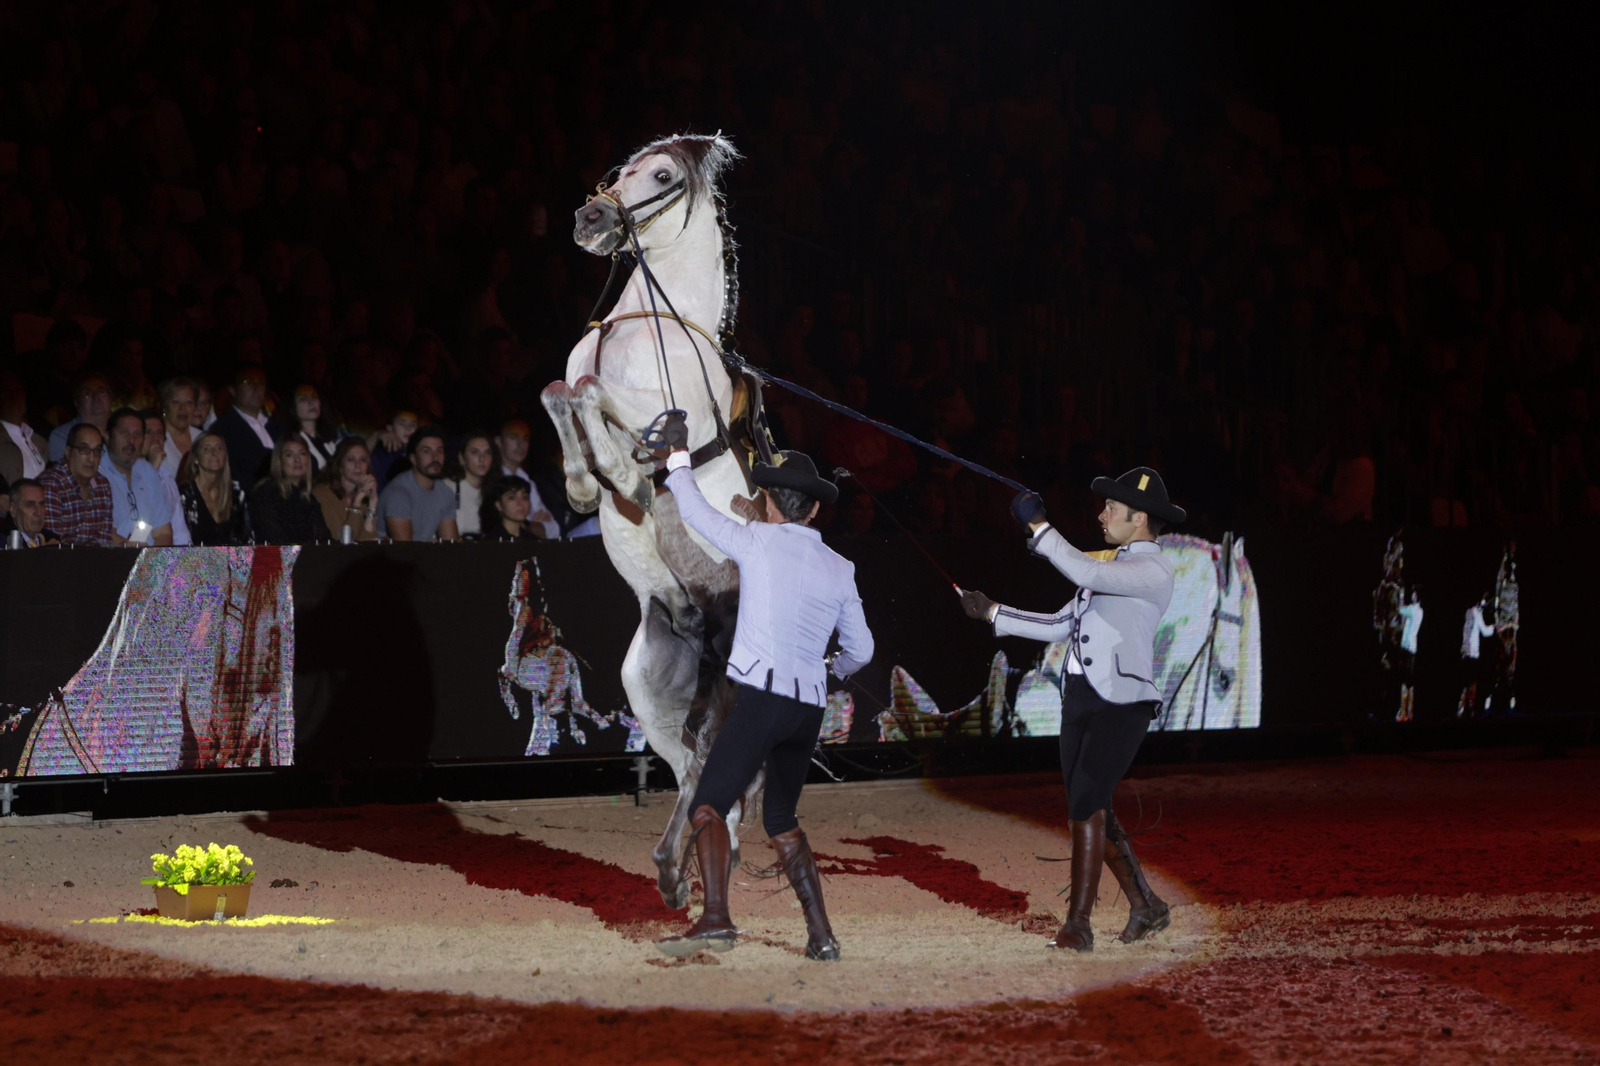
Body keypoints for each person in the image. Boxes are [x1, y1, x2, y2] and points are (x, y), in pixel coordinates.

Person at [653, 412, 874, 962]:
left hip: (762, 704)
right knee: (781, 817)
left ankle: (716, 918)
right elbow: (863, 651)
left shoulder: (756, 540)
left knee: (707, 806)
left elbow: (697, 513)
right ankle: (822, 936)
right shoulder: (841, 567)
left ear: (770, 503)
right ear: (816, 510)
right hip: (808, 710)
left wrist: (677, 456)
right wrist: (831, 667)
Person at [959, 468, 1185, 953]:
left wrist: (1040, 527)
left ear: (1139, 517)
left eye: (1111, 508)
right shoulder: (1111, 566)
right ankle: (1145, 905)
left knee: (1086, 803)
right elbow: (1061, 623)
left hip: (1122, 702)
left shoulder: (1152, 569)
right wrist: (993, 613)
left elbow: (1085, 571)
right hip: (1080, 697)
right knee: (1090, 804)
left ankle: (1078, 925)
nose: (1102, 514)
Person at [99, 407, 175, 545]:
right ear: (107, 436)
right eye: (124, 433)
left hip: (149, 560)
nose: (131, 441)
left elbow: (163, 532)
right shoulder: (97, 472)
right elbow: (103, 533)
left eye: (137, 434)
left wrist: (155, 562)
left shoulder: (147, 472)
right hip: (112, 560)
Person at [376, 426, 459, 541]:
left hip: (423, 555)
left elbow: (451, 543)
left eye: (439, 451)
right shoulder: (398, 493)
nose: (435, 457)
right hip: (387, 557)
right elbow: (404, 549)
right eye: (427, 451)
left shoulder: (445, 492)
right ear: (413, 459)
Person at [40, 423, 118, 545]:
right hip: (57, 561)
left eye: (97, 451)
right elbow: (53, 545)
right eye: (84, 449)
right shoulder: (52, 485)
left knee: (147, 560)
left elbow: (104, 543)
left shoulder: (102, 485)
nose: (91, 458)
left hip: (93, 561)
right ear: (68, 452)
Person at [248, 437, 331, 544]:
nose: (297, 460)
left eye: (302, 454)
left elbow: (324, 539)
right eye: (289, 455)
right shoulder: (266, 493)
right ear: (279, 461)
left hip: (309, 557)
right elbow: (274, 539)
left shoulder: (308, 497)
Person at [179, 432, 252, 546]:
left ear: (225, 456)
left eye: (219, 448)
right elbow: (180, 540)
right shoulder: (185, 495)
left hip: (234, 561)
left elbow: (248, 537)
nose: (214, 453)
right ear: (196, 459)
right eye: (206, 449)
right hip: (195, 561)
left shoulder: (236, 492)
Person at [214, 366, 281, 484]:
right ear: (233, 390)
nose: (256, 388)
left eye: (261, 382)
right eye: (248, 382)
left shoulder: (277, 427)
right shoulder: (223, 430)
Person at [494, 419, 560, 539]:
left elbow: (554, 529)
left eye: (525, 438)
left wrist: (525, 526)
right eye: (513, 437)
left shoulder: (527, 481)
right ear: (499, 441)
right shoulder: (492, 479)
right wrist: (531, 525)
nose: (521, 444)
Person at [313, 436, 380, 541]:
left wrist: (372, 502)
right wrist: (356, 502)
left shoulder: (363, 495)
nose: (358, 465)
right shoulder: (322, 494)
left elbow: (368, 541)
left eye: (363, 460)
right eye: (351, 460)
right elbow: (343, 542)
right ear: (340, 465)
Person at [142, 410, 192, 545]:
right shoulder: (127, 474)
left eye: (159, 433)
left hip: (166, 557)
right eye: (148, 432)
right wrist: (153, 468)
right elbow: (140, 526)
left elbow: (180, 531)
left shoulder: (166, 478)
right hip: (136, 552)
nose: (155, 438)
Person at [46, 371, 113, 463]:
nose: (96, 398)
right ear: (77, 403)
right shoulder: (63, 436)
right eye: (87, 394)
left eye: (101, 392)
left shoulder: (123, 429)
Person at [446, 432, 497, 537]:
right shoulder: (447, 487)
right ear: (461, 458)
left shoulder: (494, 491)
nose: (482, 458)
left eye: (487, 453)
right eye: (475, 452)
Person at [155, 377, 201, 477]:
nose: (183, 408)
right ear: (164, 406)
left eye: (189, 402)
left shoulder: (201, 437)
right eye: (175, 402)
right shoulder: (155, 439)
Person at [291, 384, 340, 473]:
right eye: (303, 398)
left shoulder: (329, 439)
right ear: (293, 408)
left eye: (314, 397)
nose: (311, 402)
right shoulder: (293, 443)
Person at [478, 475, 543, 541]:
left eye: (525, 497)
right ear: (499, 505)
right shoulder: (491, 542)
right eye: (512, 498)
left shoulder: (533, 541)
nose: (520, 503)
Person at [1, 479, 61, 547]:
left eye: (42, 504)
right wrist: (44, 554)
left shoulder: (52, 539)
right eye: (30, 505)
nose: (39, 512)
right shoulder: (4, 541)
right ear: (13, 509)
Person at [368, 409, 419, 488]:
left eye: (412, 425)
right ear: (390, 428)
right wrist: (377, 435)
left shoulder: (418, 455)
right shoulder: (381, 454)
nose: (407, 429)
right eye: (402, 424)